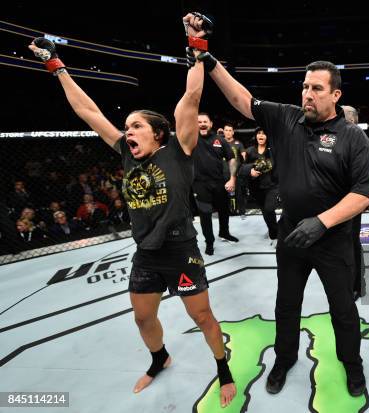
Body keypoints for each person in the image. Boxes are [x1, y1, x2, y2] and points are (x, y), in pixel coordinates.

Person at [28, 13, 236, 407]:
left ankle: (223, 367)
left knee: (203, 318)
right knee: (143, 318)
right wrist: (57, 67)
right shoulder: (126, 153)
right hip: (146, 251)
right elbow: (88, 112)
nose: (128, 132)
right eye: (126, 127)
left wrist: (197, 46)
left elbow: (191, 99)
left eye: (136, 126)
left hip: (180, 249)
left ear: (158, 133)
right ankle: (160, 358)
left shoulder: (180, 150)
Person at [202, 53, 369, 397]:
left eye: (317, 88)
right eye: (305, 87)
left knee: (343, 307)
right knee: (287, 303)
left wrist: (322, 222)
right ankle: (284, 359)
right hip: (292, 234)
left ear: (335, 95)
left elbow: (365, 192)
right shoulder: (286, 118)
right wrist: (210, 62)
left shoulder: (353, 137)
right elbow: (242, 99)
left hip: (333, 238)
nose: (307, 94)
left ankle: (352, 364)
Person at [192, 112, 240, 256]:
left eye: (205, 121)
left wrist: (232, 178)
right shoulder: (191, 139)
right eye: (199, 122)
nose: (202, 124)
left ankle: (224, 233)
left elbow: (232, 158)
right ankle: (209, 242)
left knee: (224, 210)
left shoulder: (220, 140)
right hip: (200, 184)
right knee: (205, 214)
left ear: (211, 124)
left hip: (219, 182)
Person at [342, 105, 366, 300]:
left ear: (351, 119)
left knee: (351, 241)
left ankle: (356, 285)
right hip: (337, 198)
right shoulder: (340, 136)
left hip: (352, 199)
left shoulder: (358, 139)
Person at [239, 127, 279, 241]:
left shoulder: (273, 150)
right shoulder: (249, 151)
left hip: (272, 186)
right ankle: (273, 231)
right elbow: (241, 169)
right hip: (256, 188)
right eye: (259, 133)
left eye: (264, 133)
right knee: (266, 213)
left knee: (269, 209)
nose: (261, 136)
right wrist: (250, 171)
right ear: (256, 135)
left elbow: (277, 165)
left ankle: (274, 233)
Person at [222, 123, 247, 216]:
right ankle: (225, 212)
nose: (228, 132)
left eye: (230, 130)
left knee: (239, 193)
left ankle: (241, 212)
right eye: (226, 130)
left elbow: (243, 153)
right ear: (223, 131)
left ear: (232, 132)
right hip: (223, 171)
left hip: (236, 172)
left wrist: (244, 156)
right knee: (223, 194)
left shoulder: (238, 143)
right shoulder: (220, 142)